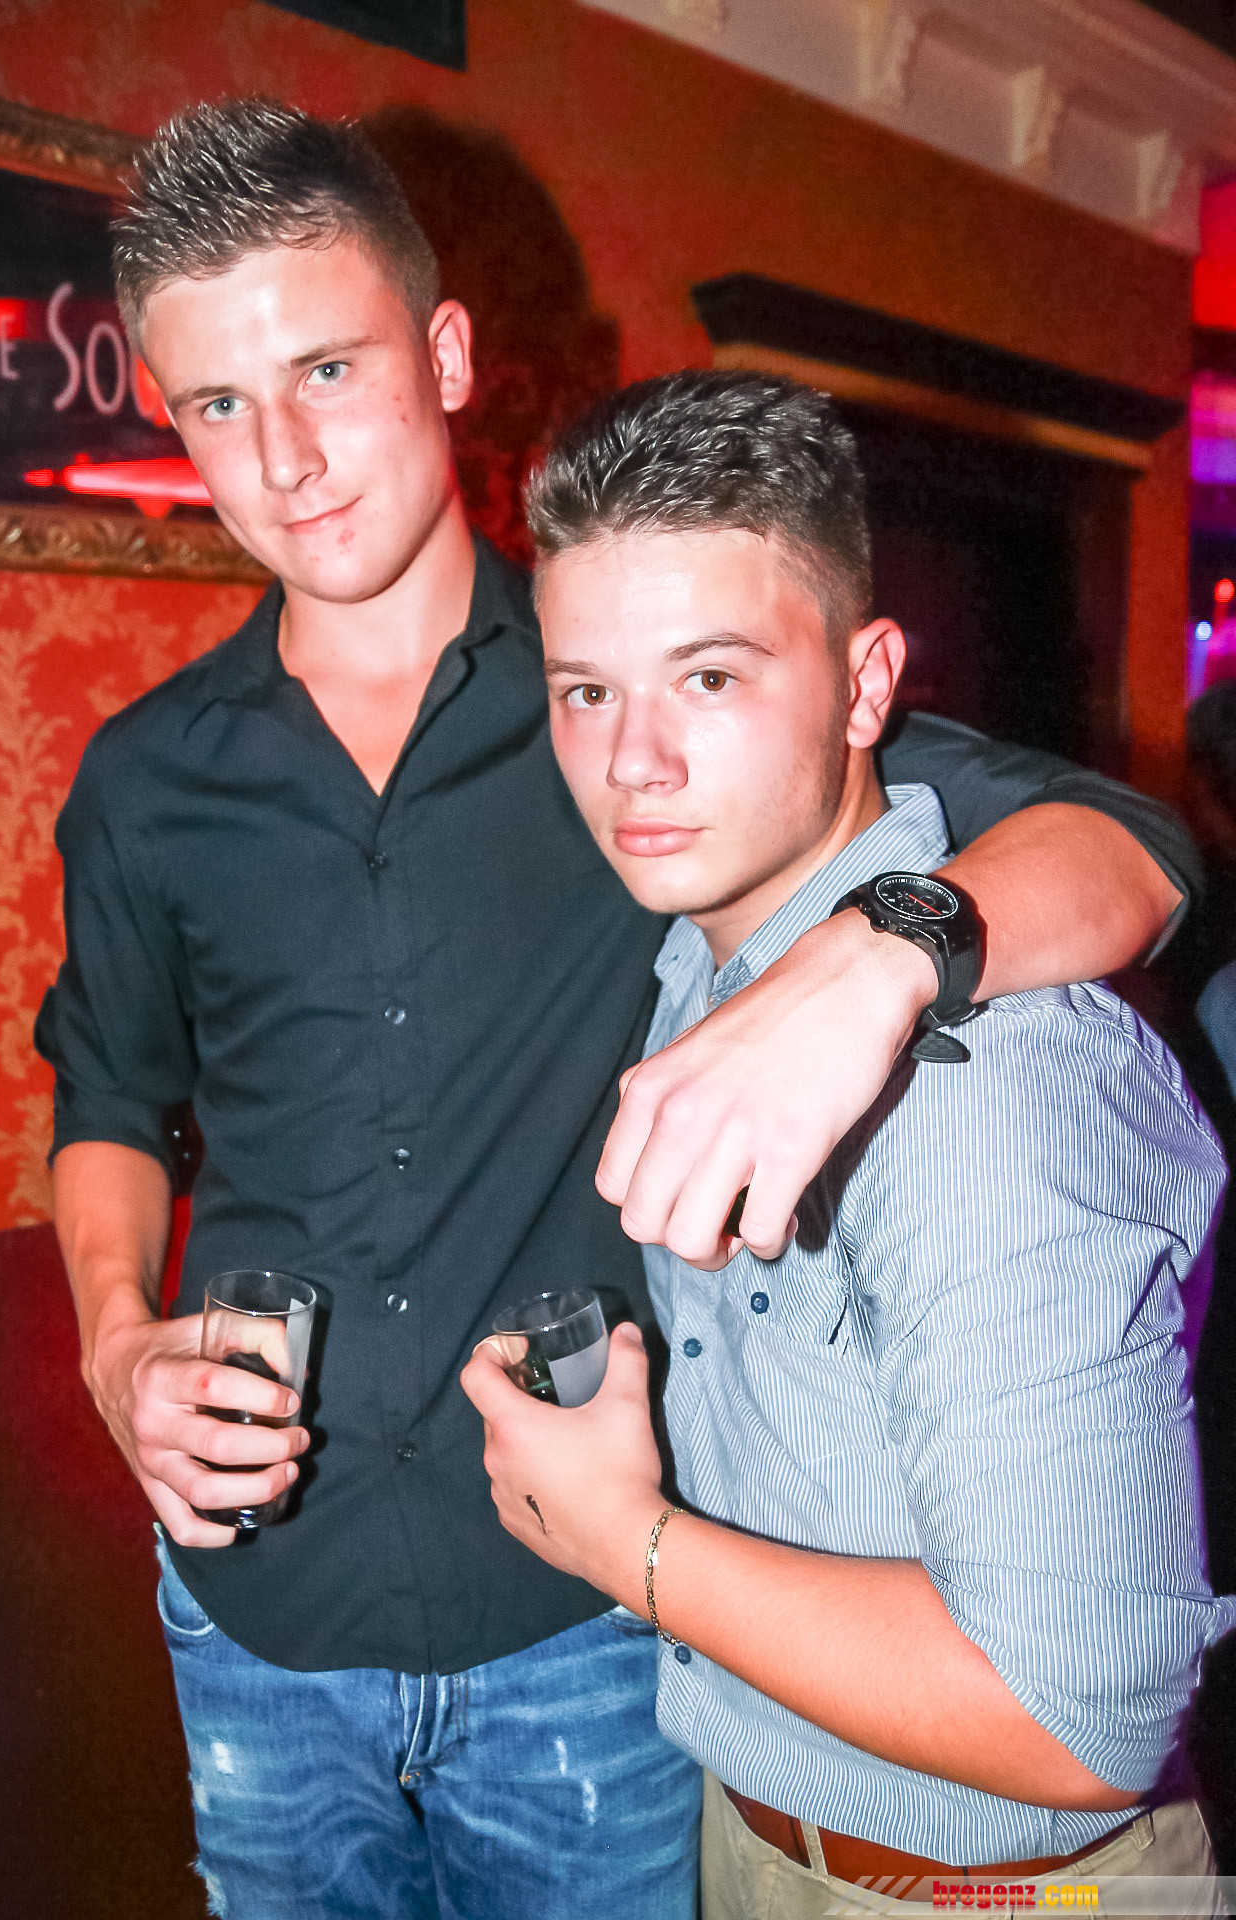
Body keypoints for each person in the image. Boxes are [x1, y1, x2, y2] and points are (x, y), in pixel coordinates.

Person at [36, 100, 1198, 1920]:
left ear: (444, 356)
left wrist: (875, 959)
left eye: (329, 369)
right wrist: (116, 1345)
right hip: (263, 1600)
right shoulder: (143, 779)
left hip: (582, 1628)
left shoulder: (642, 700)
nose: (289, 458)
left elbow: (1136, 853)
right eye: (218, 404)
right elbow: (108, 1094)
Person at [463, 370, 1236, 1918]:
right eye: (586, 691)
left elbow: (1079, 1720)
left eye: (710, 676)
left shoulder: (983, 1086)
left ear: (869, 684)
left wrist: (627, 1539)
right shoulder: (702, 969)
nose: (633, 762)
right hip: (763, 1840)